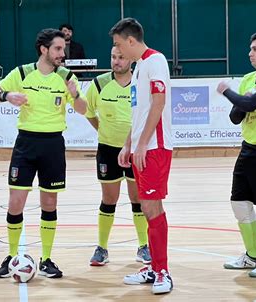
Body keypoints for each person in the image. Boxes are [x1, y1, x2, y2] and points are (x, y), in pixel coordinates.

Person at [0, 28, 87, 279]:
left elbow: (83, 108)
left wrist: (75, 93)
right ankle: (12, 257)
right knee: (16, 202)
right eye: (57, 49)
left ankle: (46, 258)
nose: (62, 54)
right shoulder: (22, 72)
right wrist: (7, 95)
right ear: (44, 49)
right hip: (26, 144)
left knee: (50, 203)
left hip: (53, 145)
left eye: (62, 49)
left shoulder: (66, 76)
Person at [110, 18, 173, 294]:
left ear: (131, 41)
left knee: (152, 207)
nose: (118, 49)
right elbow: (139, 113)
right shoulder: (138, 69)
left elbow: (159, 103)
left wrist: (143, 144)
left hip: (155, 148)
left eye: (118, 44)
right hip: (141, 147)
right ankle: (154, 268)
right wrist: (128, 144)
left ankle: (163, 272)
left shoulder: (155, 60)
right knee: (147, 209)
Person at [85, 46, 151, 267]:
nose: (116, 61)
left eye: (121, 58)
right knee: (109, 200)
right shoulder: (99, 83)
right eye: (113, 57)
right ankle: (102, 248)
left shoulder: (140, 83)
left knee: (138, 199)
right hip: (108, 150)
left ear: (131, 60)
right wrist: (103, 131)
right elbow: (88, 112)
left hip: (135, 151)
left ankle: (144, 246)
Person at [216, 32, 256, 279]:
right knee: (239, 202)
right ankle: (253, 256)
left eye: (255, 49)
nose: (250, 53)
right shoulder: (247, 79)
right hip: (248, 150)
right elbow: (236, 117)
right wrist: (242, 101)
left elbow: (251, 105)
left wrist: (226, 91)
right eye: (250, 49)